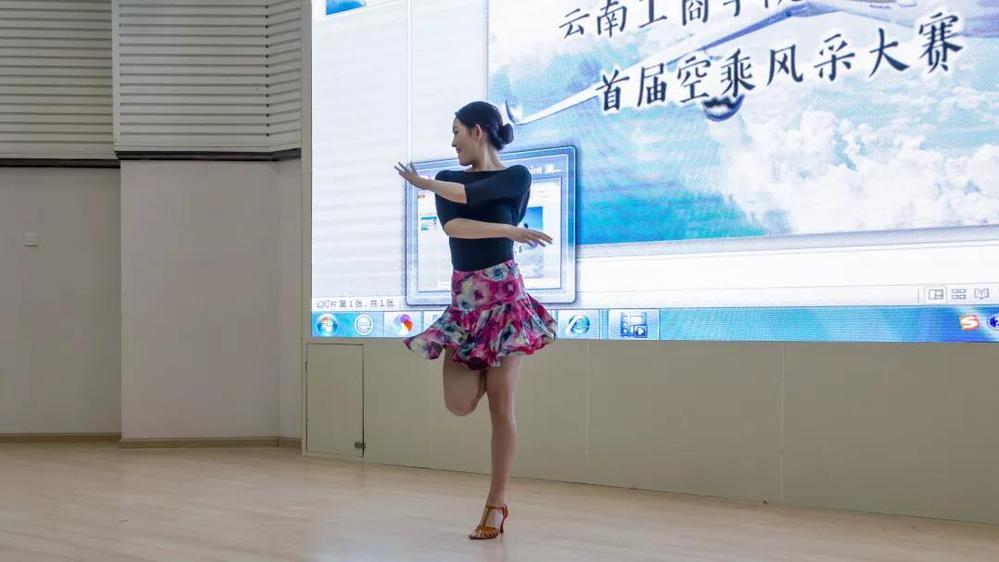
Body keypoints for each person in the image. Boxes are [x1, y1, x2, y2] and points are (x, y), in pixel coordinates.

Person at [395, 101, 557, 540]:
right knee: (460, 403)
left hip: (506, 300)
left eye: (457, 132)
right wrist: (506, 230)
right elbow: (456, 227)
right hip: (466, 303)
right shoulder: (448, 180)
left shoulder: (517, 177)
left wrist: (427, 184)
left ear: (478, 131)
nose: (453, 142)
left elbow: (484, 198)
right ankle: (487, 363)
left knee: (502, 404)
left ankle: (496, 504)